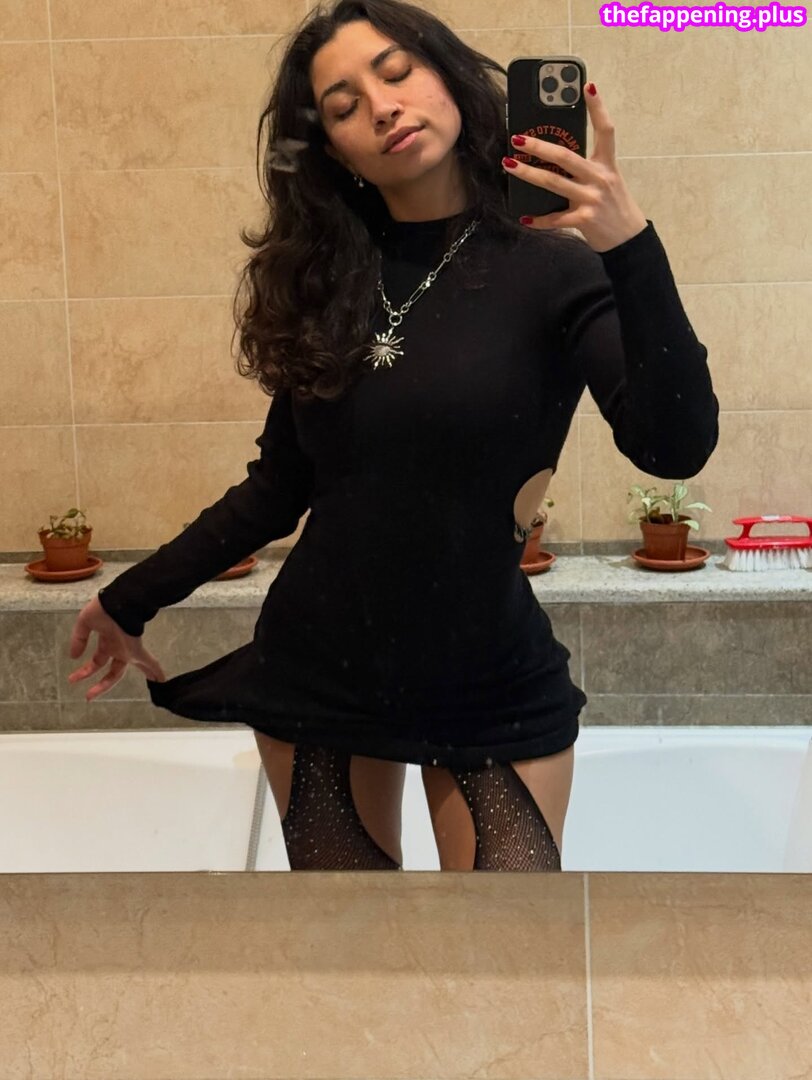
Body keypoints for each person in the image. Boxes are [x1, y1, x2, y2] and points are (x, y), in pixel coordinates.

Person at [67, 0, 719, 872]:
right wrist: (128, 598)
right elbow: (279, 487)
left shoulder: (556, 266)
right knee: (356, 948)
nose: (381, 106)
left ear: (447, 75)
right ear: (335, 149)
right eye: (342, 106)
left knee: (508, 937)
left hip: (490, 679)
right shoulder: (324, 279)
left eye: (396, 71)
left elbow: (674, 446)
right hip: (319, 670)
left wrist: (630, 246)